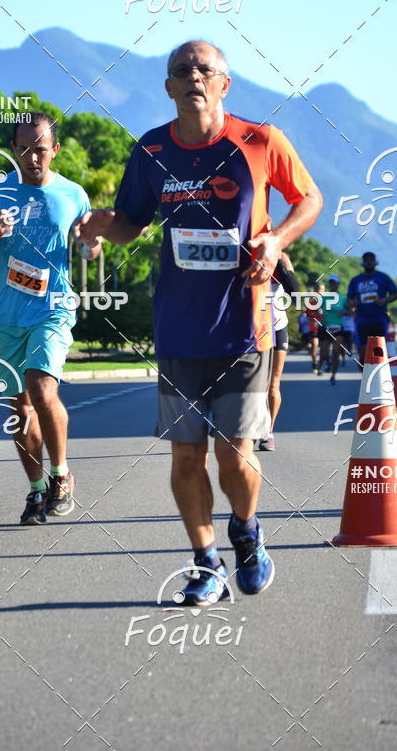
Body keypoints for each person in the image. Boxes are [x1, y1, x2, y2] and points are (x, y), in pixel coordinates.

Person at [76, 40, 322, 604]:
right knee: (186, 454)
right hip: (178, 329)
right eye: (182, 70)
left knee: (234, 457)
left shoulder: (260, 141)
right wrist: (98, 226)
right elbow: (131, 224)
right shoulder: (151, 150)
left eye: (204, 69)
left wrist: (276, 238)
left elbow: (309, 198)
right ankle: (206, 561)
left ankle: (246, 529)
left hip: (244, 327)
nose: (193, 77)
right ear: (167, 87)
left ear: (224, 84)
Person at [0, 112, 95, 524]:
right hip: (7, 316)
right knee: (19, 408)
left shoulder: (73, 195)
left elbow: (90, 250)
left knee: (42, 390)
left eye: (39, 149)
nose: (31, 156)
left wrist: (88, 244)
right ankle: (36, 490)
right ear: (13, 150)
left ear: (54, 150)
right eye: (22, 148)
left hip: (53, 308)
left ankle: (61, 476)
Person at [257, 251, 298, 452]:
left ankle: (268, 432)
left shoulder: (281, 256)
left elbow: (294, 289)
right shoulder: (244, 254)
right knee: (250, 383)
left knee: (273, 384)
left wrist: (279, 263)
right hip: (251, 328)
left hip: (276, 326)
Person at [346, 252, 397, 365]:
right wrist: (353, 302)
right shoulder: (356, 280)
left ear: (375, 262)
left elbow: (395, 293)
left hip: (379, 319)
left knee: (379, 349)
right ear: (363, 262)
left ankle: (378, 374)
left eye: (371, 260)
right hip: (362, 320)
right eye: (366, 260)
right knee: (363, 350)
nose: (369, 262)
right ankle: (365, 372)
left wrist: (384, 300)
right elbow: (349, 298)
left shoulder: (383, 277)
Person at [318, 275, 346, 385]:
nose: (332, 284)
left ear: (338, 284)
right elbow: (315, 310)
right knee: (324, 353)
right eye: (331, 282)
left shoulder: (343, 298)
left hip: (338, 327)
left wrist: (345, 312)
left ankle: (333, 375)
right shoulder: (323, 297)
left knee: (336, 351)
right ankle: (323, 364)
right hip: (326, 328)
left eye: (334, 282)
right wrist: (319, 314)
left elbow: (350, 309)